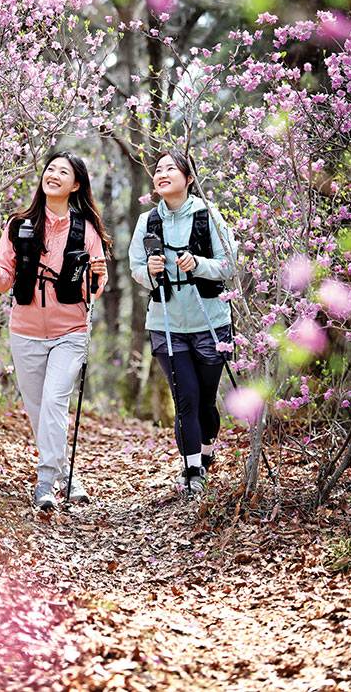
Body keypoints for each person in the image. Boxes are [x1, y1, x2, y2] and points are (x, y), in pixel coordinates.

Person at [0, 152, 109, 511]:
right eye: (50, 169)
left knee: (53, 403)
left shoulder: (86, 230)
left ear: (75, 185)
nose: (54, 175)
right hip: (26, 331)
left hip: (70, 331)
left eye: (63, 172)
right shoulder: (19, 225)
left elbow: (96, 288)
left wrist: (95, 275)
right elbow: (2, 280)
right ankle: (67, 475)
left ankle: (46, 481)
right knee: (38, 411)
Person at [128, 151, 238, 495]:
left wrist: (199, 265)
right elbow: (135, 268)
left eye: (170, 169)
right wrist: (150, 272)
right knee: (186, 398)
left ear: (188, 178)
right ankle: (191, 472)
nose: (162, 174)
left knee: (206, 400)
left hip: (210, 323)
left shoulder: (209, 215)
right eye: (158, 170)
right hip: (166, 323)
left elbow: (229, 265)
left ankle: (205, 453)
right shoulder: (148, 221)